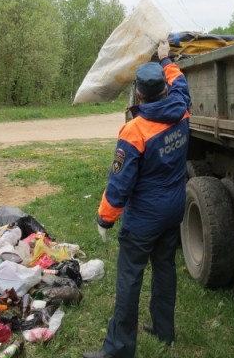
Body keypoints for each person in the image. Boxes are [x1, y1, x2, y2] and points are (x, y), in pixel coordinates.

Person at [83, 39, 190, 358]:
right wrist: (166, 60)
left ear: (139, 94)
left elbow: (119, 186)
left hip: (144, 219)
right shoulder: (182, 109)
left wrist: (105, 218)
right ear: (164, 90)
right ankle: (163, 328)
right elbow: (181, 84)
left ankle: (117, 350)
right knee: (165, 267)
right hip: (173, 210)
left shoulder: (135, 130)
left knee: (129, 280)